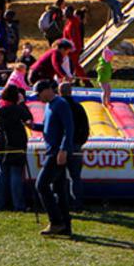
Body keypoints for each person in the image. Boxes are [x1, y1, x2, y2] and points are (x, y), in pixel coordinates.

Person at [33, 79, 75, 237]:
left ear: (48, 90)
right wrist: (33, 126)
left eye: (39, 94)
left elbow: (68, 128)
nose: (38, 98)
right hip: (53, 151)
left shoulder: (61, 104)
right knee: (59, 189)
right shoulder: (50, 106)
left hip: (57, 153)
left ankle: (56, 221)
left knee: (41, 185)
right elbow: (47, 127)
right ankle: (65, 225)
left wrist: (64, 150)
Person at [0, 84, 34, 211]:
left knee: (2, 173)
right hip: (15, 142)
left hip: (0, 142)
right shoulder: (16, 109)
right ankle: (18, 204)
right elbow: (28, 118)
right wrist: (22, 103)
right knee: (16, 173)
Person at [58, 82, 90, 210]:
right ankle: (77, 204)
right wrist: (81, 141)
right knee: (75, 176)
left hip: (61, 146)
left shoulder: (58, 107)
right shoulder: (78, 107)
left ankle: (63, 202)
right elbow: (86, 127)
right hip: (76, 144)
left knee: (59, 176)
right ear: (71, 92)